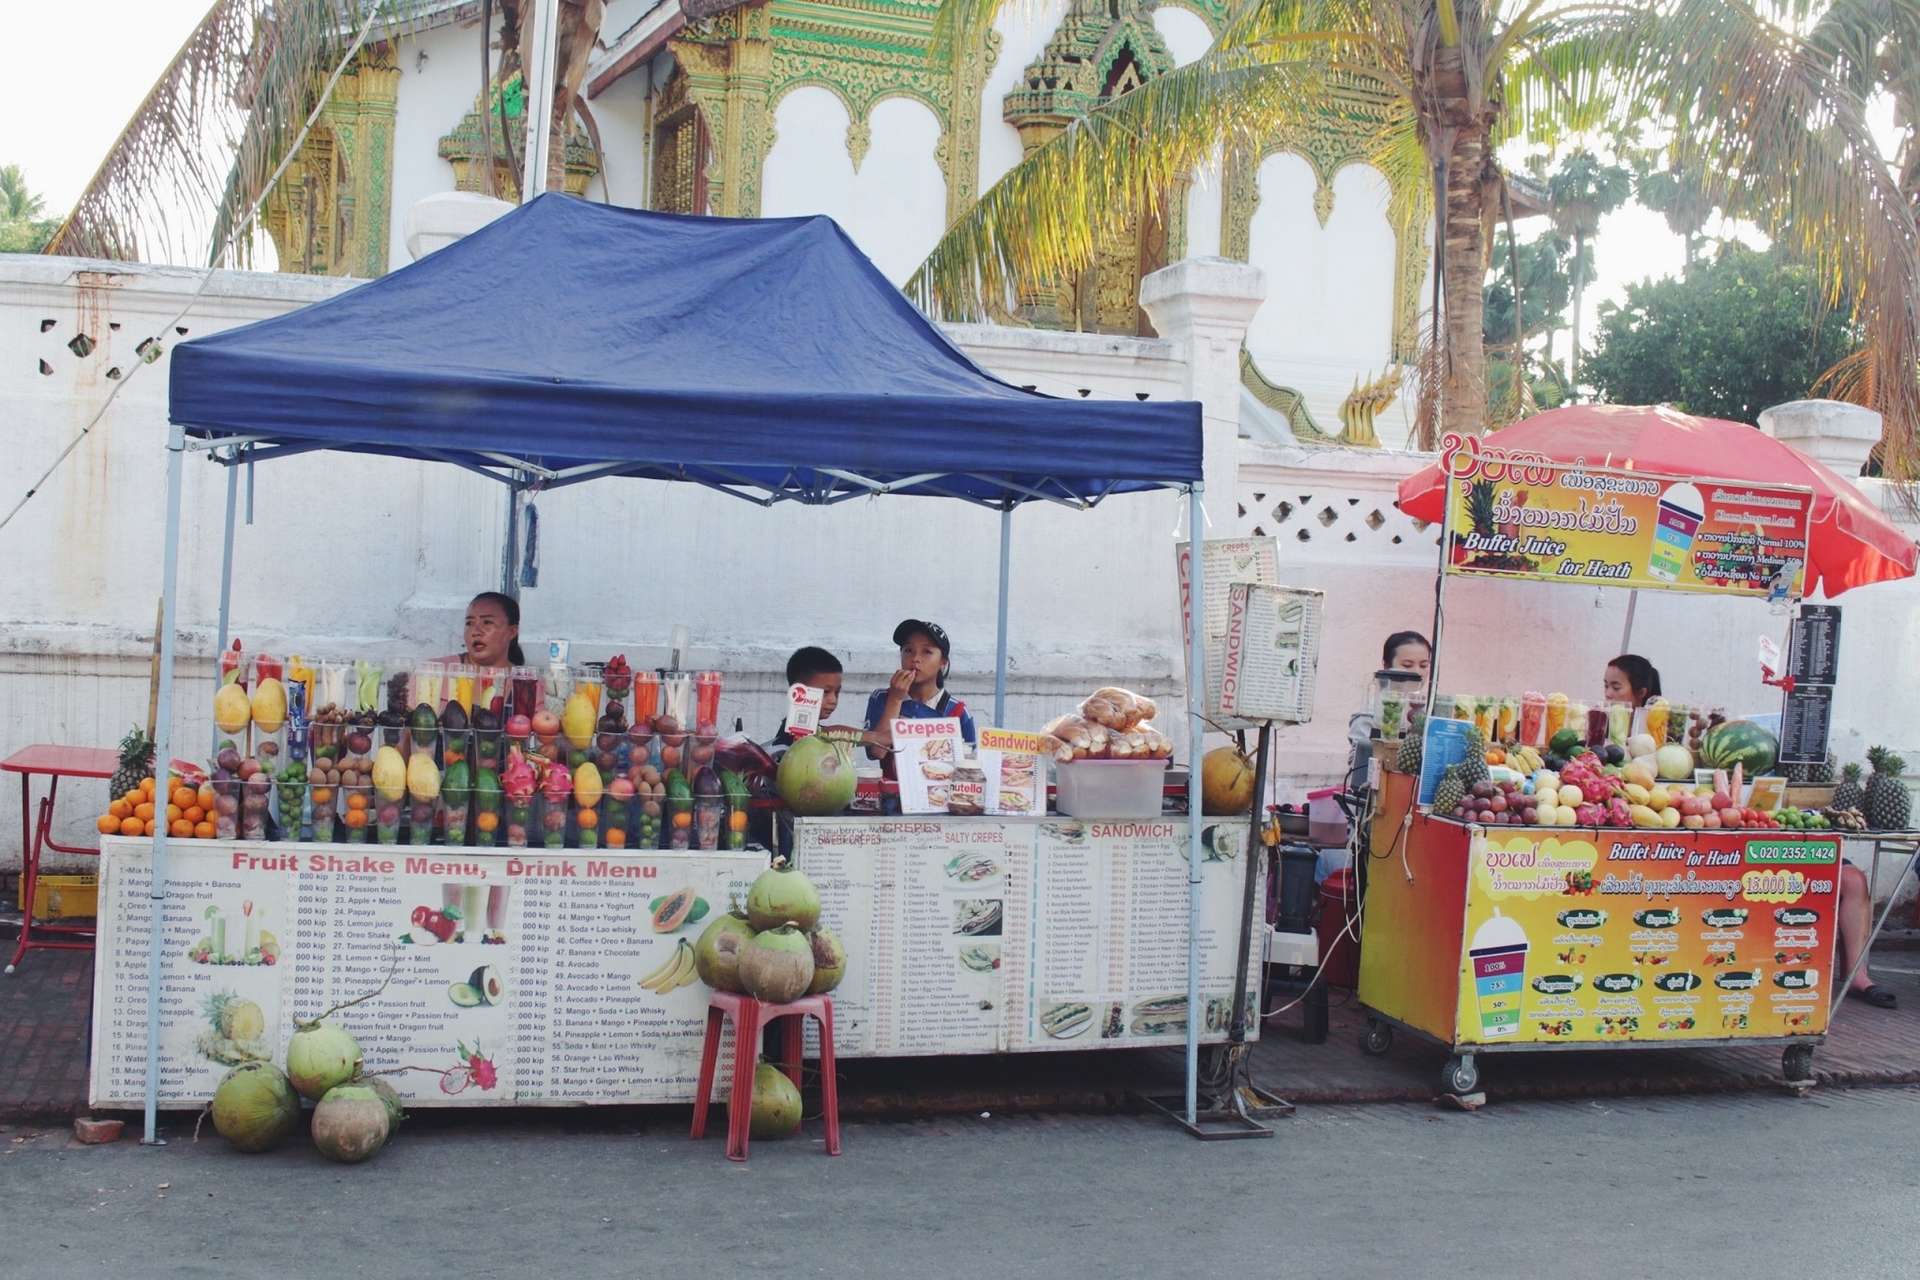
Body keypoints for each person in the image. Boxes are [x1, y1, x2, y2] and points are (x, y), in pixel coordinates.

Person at [864, 619, 976, 773]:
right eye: (908, 650)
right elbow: (876, 752)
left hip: (938, 794)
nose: (915, 659)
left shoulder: (957, 711)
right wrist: (895, 700)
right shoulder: (882, 697)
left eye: (927, 652)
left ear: (943, 662)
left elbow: (968, 768)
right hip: (891, 795)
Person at [1346, 631, 1432, 793]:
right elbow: (1359, 763)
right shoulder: (1372, 711)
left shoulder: (1428, 711)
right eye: (1407, 665)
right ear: (1386, 665)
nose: (1417, 672)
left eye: (1424, 665)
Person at [442, 591, 525, 670]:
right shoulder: (437, 672)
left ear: (512, 632)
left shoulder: (524, 682)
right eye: (469, 623)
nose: (475, 632)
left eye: (487, 622)